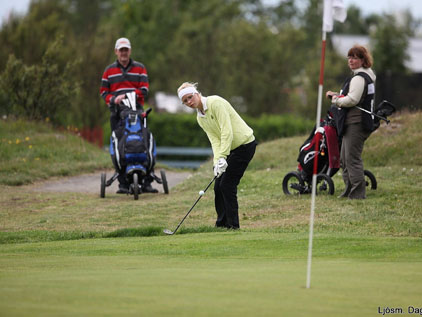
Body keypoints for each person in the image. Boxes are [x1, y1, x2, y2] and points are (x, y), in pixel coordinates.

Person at [177, 82, 257, 229]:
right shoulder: (200, 118)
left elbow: (227, 131)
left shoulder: (215, 103)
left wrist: (223, 156)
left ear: (196, 93)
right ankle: (221, 224)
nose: (189, 102)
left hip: (245, 145)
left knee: (227, 185)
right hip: (230, 149)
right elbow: (214, 139)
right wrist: (217, 162)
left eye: (190, 97)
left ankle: (233, 225)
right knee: (218, 186)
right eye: (185, 101)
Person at [100, 37, 158, 194]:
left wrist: (127, 95)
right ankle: (123, 182)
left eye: (126, 49)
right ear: (116, 51)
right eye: (121, 50)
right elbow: (104, 92)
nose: (124, 53)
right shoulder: (109, 70)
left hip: (137, 111)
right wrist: (114, 99)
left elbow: (145, 89)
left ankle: (146, 181)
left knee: (144, 140)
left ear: (130, 51)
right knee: (118, 144)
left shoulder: (140, 68)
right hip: (117, 113)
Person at [326, 45, 376, 199]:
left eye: (355, 57)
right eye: (349, 57)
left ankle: (357, 193)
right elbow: (354, 97)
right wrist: (338, 96)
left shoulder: (359, 78)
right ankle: (349, 189)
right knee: (344, 159)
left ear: (363, 60)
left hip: (357, 123)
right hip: (355, 122)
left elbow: (352, 100)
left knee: (351, 159)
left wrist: (335, 99)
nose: (351, 60)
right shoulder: (366, 75)